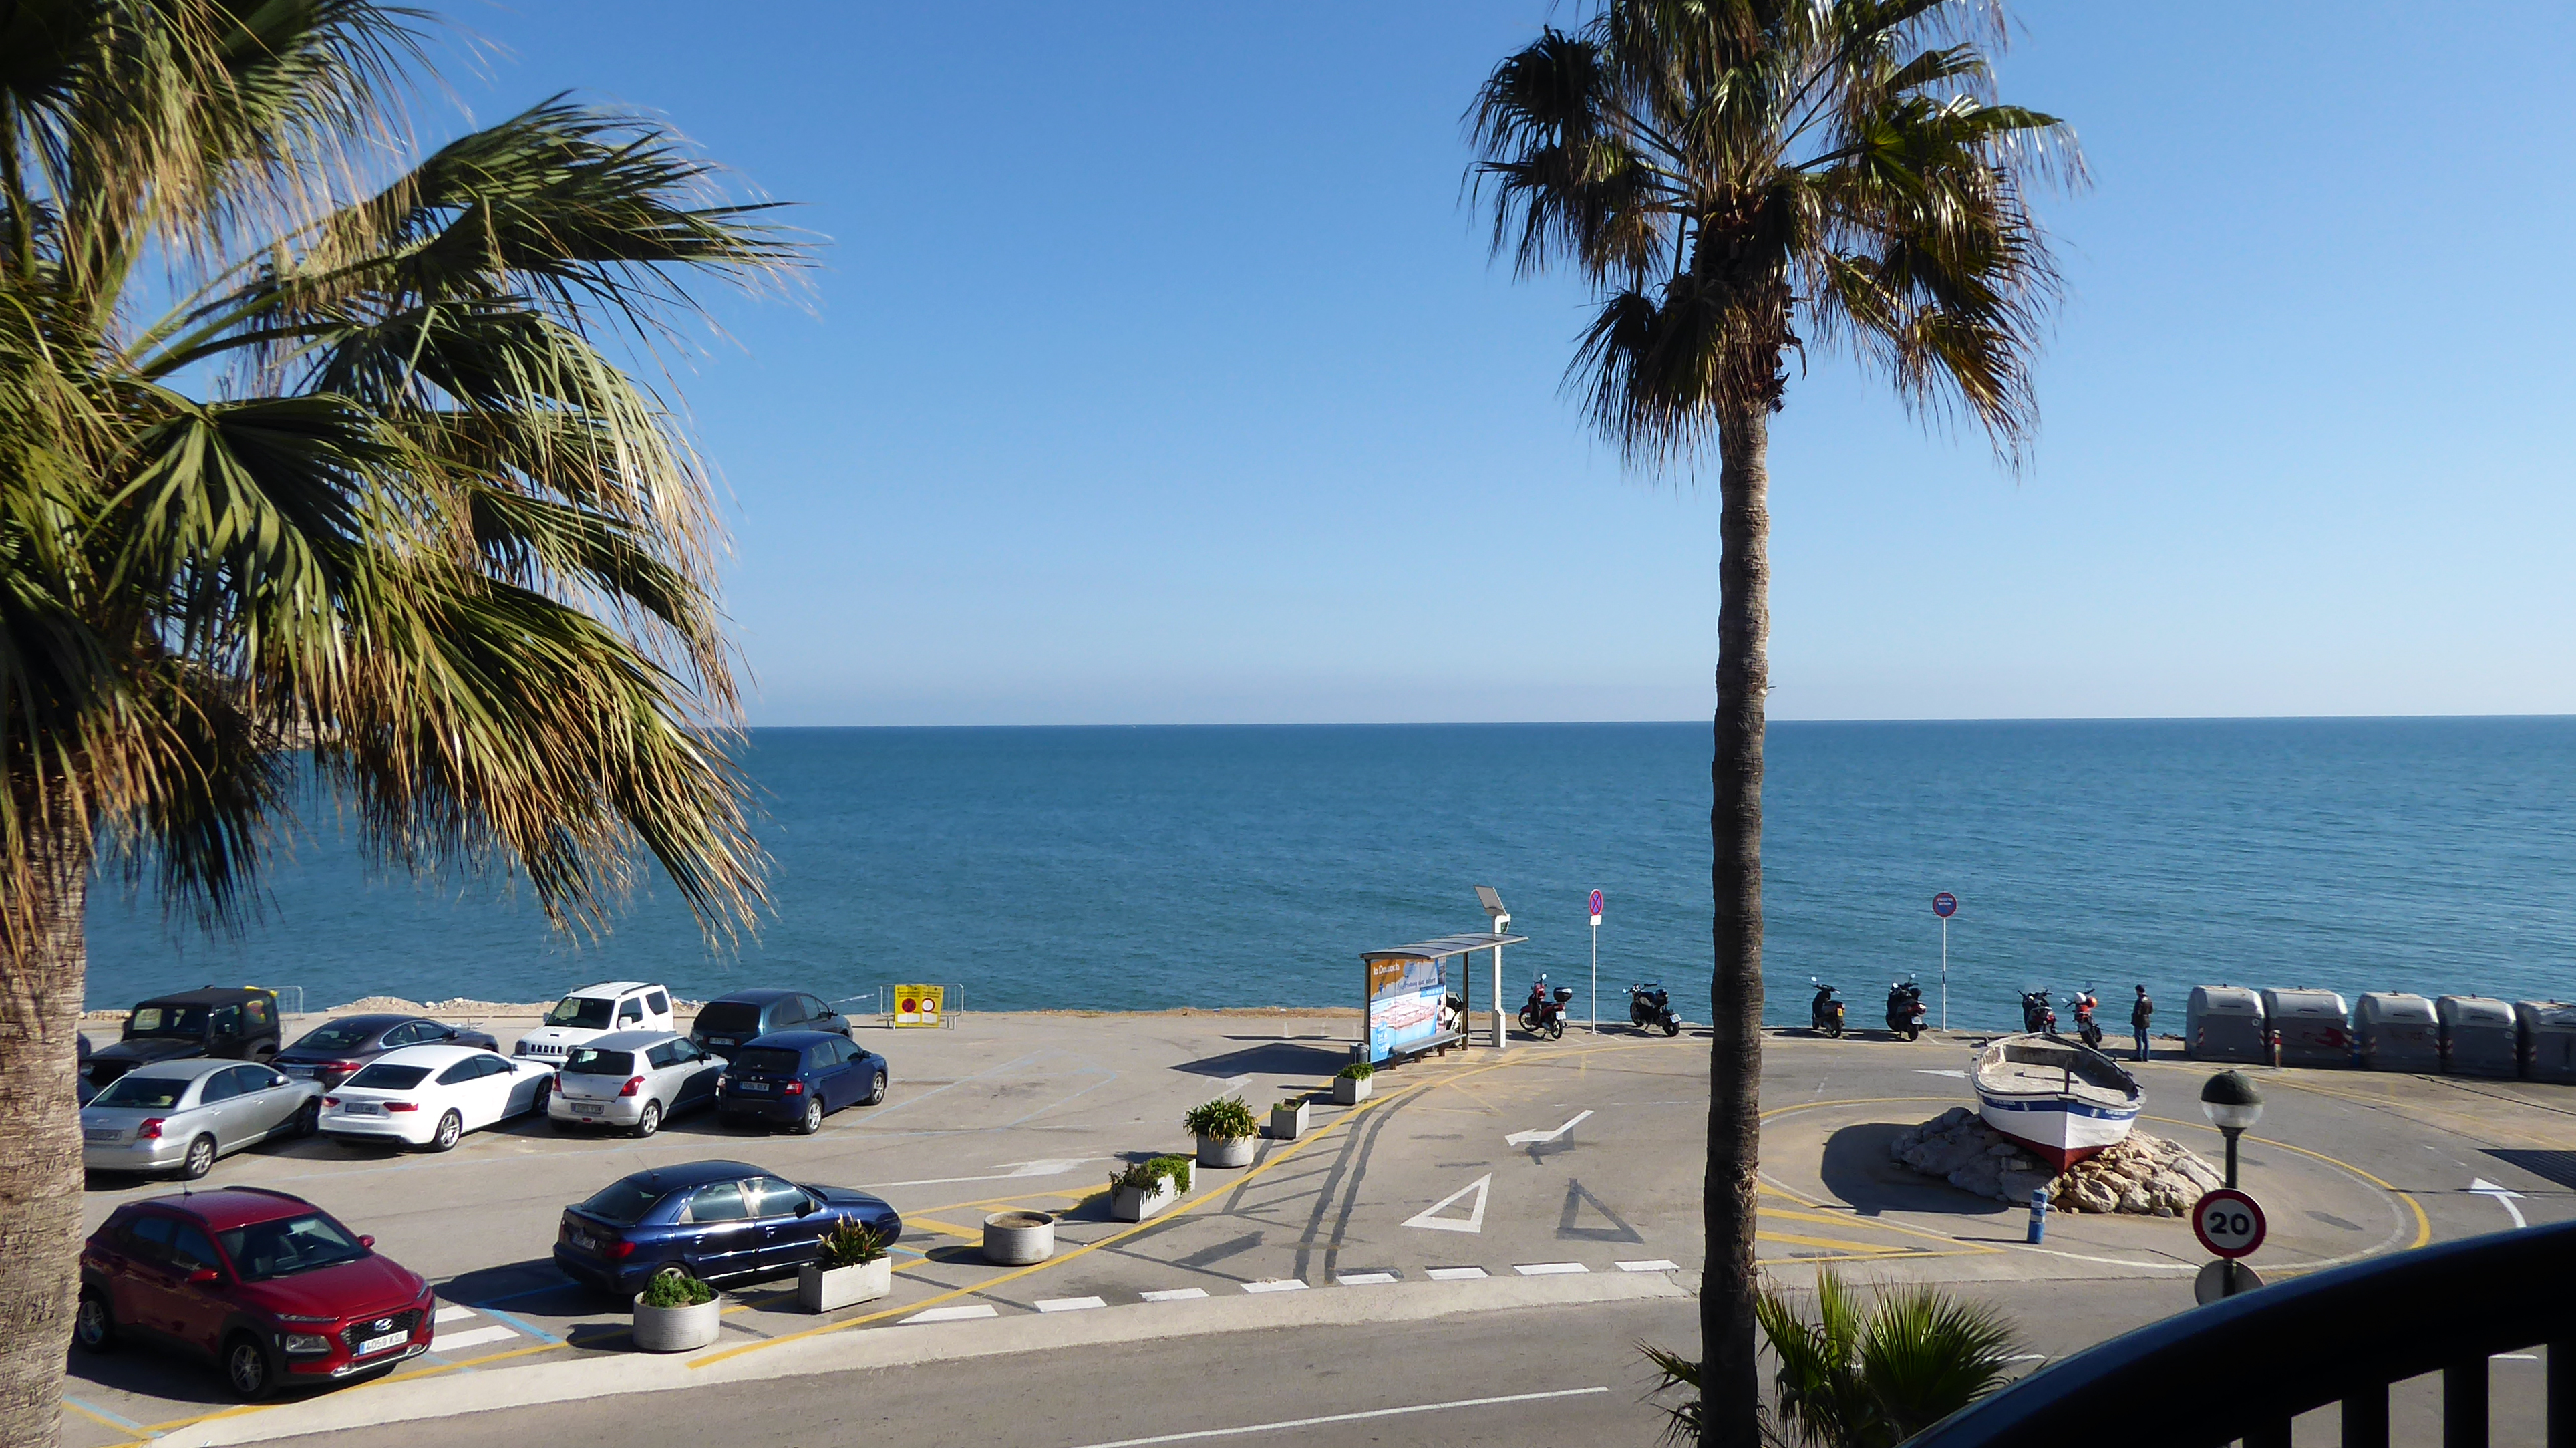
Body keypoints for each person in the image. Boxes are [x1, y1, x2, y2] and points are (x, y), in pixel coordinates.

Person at [2131, 984, 2154, 1062]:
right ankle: (2146, 1056)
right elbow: (2151, 1011)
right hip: (2146, 1020)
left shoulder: (2140, 1001)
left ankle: (2139, 1056)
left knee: (2138, 1039)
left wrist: (2134, 1019)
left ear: (2138, 991)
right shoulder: (2149, 1000)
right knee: (2146, 1039)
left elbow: (2137, 1012)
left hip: (2139, 1021)